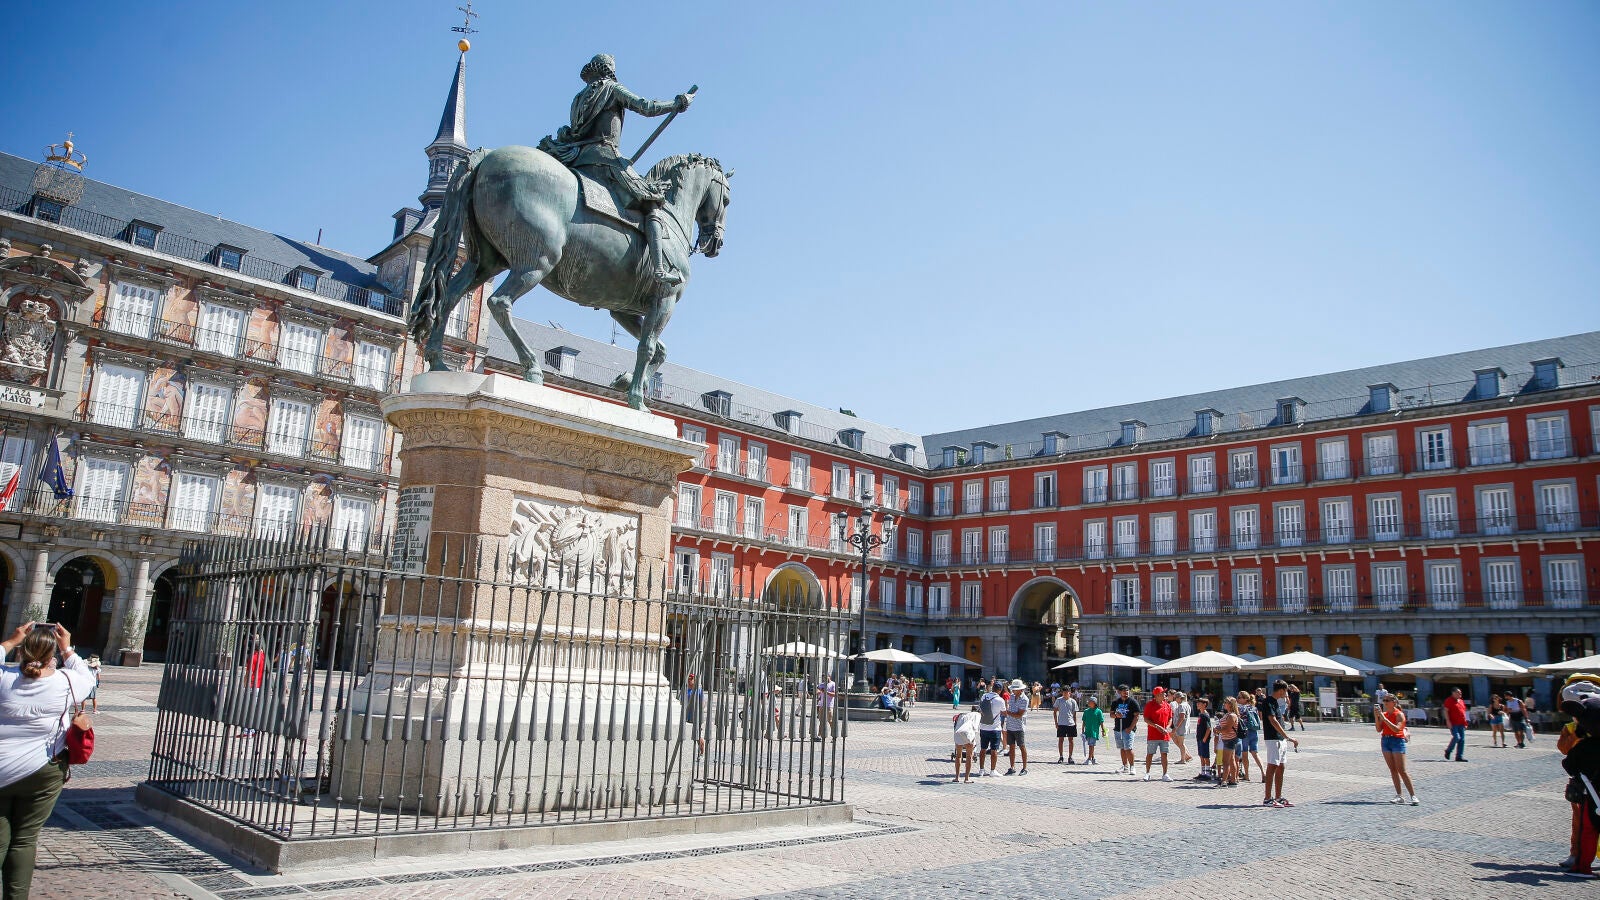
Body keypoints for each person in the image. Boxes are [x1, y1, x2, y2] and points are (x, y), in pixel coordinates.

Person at [537, 53, 696, 287]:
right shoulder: (612, 88)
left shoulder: (578, 97)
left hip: (577, 158)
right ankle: (660, 269)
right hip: (605, 157)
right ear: (609, 71)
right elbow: (647, 107)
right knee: (652, 202)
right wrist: (677, 103)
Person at [0, 622, 98, 898]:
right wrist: (67, 648)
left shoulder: (4, 677)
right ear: (51, 654)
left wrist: (11, 641)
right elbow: (88, 677)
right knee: (24, 840)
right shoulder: (66, 681)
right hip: (43, 771)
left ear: (22, 651)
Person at [1258, 680, 1301, 808]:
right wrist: (1287, 736)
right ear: (1281, 690)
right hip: (1273, 738)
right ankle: (1267, 798)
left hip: (1280, 739)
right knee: (1272, 766)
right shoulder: (1268, 701)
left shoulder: (1276, 702)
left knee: (1281, 766)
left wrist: (1285, 738)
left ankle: (1278, 796)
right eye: (1286, 691)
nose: (1286, 693)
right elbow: (1273, 720)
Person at [1376, 693, 1419, 805]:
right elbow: (1378, 729)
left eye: (1387, 700)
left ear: (1394, 702)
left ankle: (1413, 795)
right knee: (1393, 769)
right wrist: (1377, 716)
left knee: (1402, 770)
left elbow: (1396, 729)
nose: (1385, 702)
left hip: (1397, 741)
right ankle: (1399, 795)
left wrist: (1384, 718)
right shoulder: (1384, 714)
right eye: (1384, 700)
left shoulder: (1399, 714)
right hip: (1385, 741)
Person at [1142, 686, 1174, 782]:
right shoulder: (1150, 705)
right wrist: (1156, 726)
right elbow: (1146, 719)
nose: (1165, 694)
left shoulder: (1167, 705)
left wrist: (1167, 727)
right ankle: (1147, 773)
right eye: (1163, 693)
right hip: (1153, 735)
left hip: (1164, 735)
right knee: (1150, 754)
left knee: (1164, 754)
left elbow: (1170, 718)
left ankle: (1165, 774)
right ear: (1157, 695)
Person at [1109, 685, 1140, 775]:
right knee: (1122, 748)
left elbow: (1137, 716)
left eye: (1127, 690)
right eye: (1123, 691)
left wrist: (1130, 728)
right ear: (1119, 692)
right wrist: (1116, 715)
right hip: (1118, 729)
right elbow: (1111, 715)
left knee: (1128, 748)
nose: (1126, 692)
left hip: (1128, 729)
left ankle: (1132, 766)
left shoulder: (1133, 702)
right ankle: (1124, 766)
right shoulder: (1115, 702)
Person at [977, 681, 1004, 776]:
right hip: (995, 728)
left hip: (983, 727)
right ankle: (993, 770)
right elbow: (1004, 712)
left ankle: (981, 770)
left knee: (983, 749)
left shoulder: (984, 696)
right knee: (994, 750)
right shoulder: (1000, 700)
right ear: (1000, 690)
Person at [1003, 678, 1030, 775]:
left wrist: (1007, 712)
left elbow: (1019, 715)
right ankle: (1012, 767)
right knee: (1011, 747)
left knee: (1022, 746)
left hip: (1019, 726)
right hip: (1010, 725)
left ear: (1020, 689)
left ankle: (1024, 768)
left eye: (1015, 689)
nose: (1013, 691)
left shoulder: (1024, 699)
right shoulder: (1012, 697)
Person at [1236, 691, 1263, 781]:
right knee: (1255, 753)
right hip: (1254, 732)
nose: (1238, 699)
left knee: (1244, 754)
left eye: (1239, 697)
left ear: (1245, 699)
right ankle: (1263, 773)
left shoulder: (1241, 708)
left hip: (1245, 732)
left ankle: (1247, 775)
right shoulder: (1254, 708)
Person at [1215, 697, 1241, 787]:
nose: (1224, 704)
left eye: (1226, 702)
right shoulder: (1228, 714)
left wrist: (1218, 730)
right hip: (1227, 739)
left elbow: (1227, 729)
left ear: (1230, 704)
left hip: (1230, 739)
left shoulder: (1232, 716)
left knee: (1225, 761)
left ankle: (1224, 781)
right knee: (1231, 760)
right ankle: (1233, 779)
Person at [1053, 685, 1079, 764]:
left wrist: (1075, 723)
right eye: (1063, 692)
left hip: (1071, 723)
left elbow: (1074, 714)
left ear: (1069, 693)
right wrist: (1056, 722)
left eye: (1066, 692)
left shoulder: (1073, 701)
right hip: (1061, 723)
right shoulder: (1059, 700)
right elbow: (1055, 712)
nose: (1065, 694)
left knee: (1071, 740)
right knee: (1061, 740)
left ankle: (1070, 757)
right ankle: (1061, 756)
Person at [952, 709, 979, 783]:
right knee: (969, 756)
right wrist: (973, 739)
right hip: (968, 734)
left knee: (958, 755)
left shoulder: (962, 715)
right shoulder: (976, 715)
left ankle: (957, 777)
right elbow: (975, 727)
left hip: (958, 733)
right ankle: (966, 778)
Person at [1443, 687, 1469, 762]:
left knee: (1462, 740)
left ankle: (1459, 756)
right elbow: (1446, 711)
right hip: (1453, 723)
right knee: (1457, 737)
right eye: (1458, 692)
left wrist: (1465, 723)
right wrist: (1448, 721)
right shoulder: (1449, 700)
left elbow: (1463, 712)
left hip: (1461, 723)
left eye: (1460, 692)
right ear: (1453, 693)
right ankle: (1448, 750)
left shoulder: (1461, 701)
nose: (1460, 693)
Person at [683, 673, 705, 757]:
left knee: (697, 735)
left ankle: (701, 752)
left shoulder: (698, 691)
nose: (689, 681)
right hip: (686, 717)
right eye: (689, 679)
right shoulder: (685, 691)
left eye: (691, 680)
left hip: (696, 717)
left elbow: (703, 704)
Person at [1193, 697, 1214, 782]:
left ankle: (1208, 774)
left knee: (1206, 756)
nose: (1197, 705)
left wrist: (1205, 738)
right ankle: (1203, 772)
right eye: (1197, 703)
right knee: (1201, 756)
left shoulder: (1205, 715)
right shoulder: (1200, 714)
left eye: (1199, 703)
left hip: (1203, 739)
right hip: (1199, 738)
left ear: (1204, 704)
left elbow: (1209, 728)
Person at [1081, 697, 1104, 766]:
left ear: (1094, 703)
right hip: (1087, 731)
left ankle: (1089, 759)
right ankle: (1093, 758)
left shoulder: (1099, 711)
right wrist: (1082, 730)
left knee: (1091, 745)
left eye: (1089, 701)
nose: (1088, 702)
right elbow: (1084, 721)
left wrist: (1103, 730)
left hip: (1094, 732)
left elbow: (1101, 722)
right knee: (1090, 745)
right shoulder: (1086, 711)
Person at [814, 672, 836, 741]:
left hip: (829, 705)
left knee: (830, 721)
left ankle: (834, 736)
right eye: (823, 677)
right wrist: (819, 691)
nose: (825, 679)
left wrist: (826, 692)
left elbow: (834, 694)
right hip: (821, 705)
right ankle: (819, 736)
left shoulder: (833, 684)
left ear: (829, 676)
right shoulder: (821, 684)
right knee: (821, 721)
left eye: (826, 677)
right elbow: (817, 692)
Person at [1171, 691, 1192, 764]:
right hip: (1184, 727)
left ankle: (1183, 759)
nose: (1175, 700)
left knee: (1181, 743)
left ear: (1179, 698)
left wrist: (1175, 727)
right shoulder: (1187, 705)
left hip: (1181, 727)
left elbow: (1182, 717)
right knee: (1180, 742)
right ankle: (1186, 756)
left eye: (1175, 698)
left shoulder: (1181, 706)